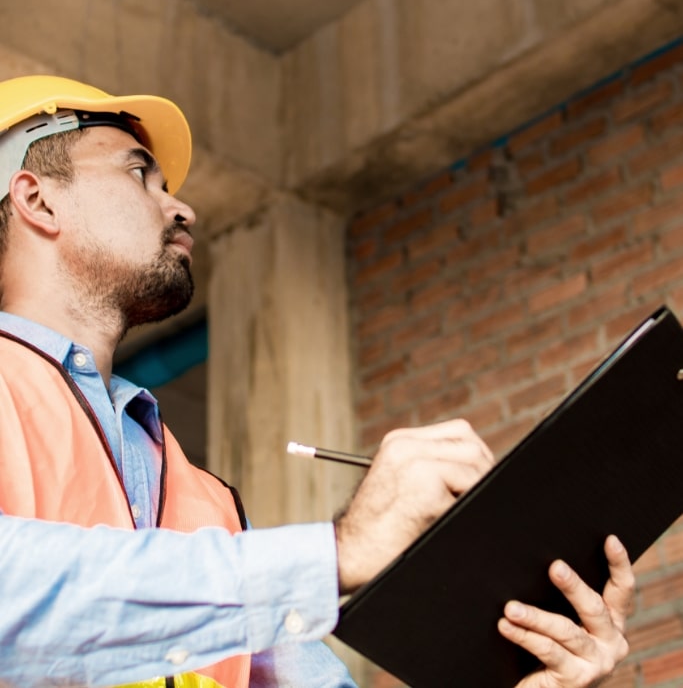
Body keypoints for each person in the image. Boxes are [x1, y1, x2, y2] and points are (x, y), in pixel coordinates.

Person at [0, 74, 634, 688]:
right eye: (140, 173)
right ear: (38, 200)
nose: (182, 207)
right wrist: (337, 550)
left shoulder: (204, 499)